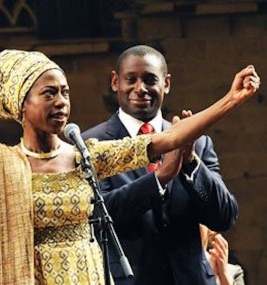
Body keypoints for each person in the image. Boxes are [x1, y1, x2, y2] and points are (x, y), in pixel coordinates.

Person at [0, 49, 259, 285]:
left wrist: (231, 100)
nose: (61, 101)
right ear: (22, 105)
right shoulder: (1, 162)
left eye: (65, 92)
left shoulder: (86, 154)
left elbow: (163, 141)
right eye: (48, 93)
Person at [82, 45, 253, 285]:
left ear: (166, 83)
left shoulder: (199, 142)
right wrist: (159, 178)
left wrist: (191, 163)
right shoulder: (92, 144)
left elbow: (224, 216)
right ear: (115, 82)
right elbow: (99, 214)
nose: (140, 89)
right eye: (131, 79)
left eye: (150, 80)